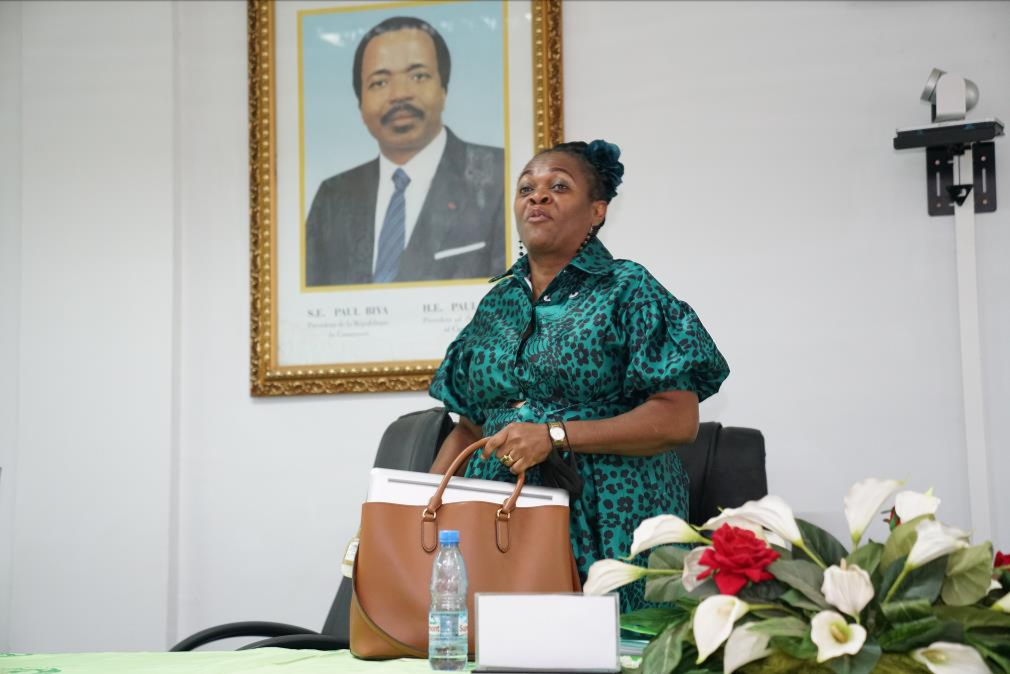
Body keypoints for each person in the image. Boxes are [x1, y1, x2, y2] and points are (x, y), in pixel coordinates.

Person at [428, 140, 730, 612]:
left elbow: (677, 419)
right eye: (526, 188)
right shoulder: (496, 305)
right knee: (500, 644)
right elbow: (468, 427)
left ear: (597, 211)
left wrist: (554, 435)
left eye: (559, 186)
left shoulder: (628, 289)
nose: (538, 196)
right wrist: (420, 504)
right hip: (500, 522)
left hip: (608, 516)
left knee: (603, 644)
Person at [305, 16, 506, 287]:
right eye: (379, 82)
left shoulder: (501, 176)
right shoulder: (333, 196)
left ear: (444, 90)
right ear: (360, 106)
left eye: (418, 76)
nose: (399, 94)